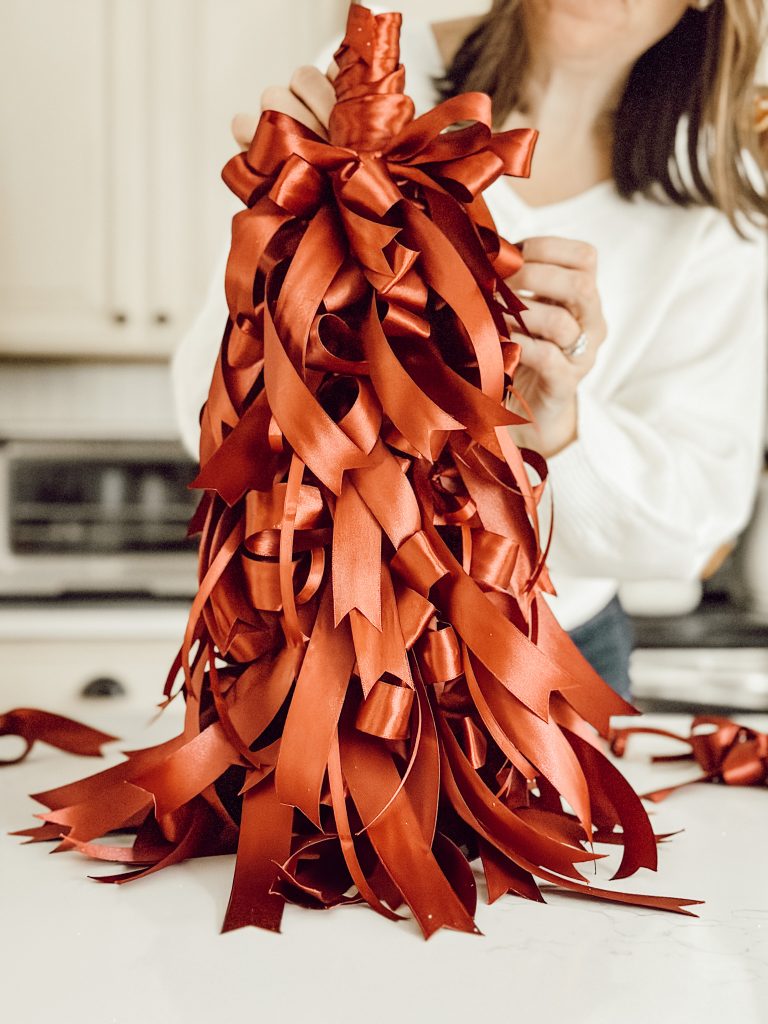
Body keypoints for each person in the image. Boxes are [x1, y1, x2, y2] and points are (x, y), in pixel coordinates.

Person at [173, 0, 768, 699]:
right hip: (325, 640)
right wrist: (291, 277)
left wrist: (559, 431)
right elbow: (206, 423)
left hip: (548, 662)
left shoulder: (720, 195)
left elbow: (688, 531)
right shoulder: (377, 79)